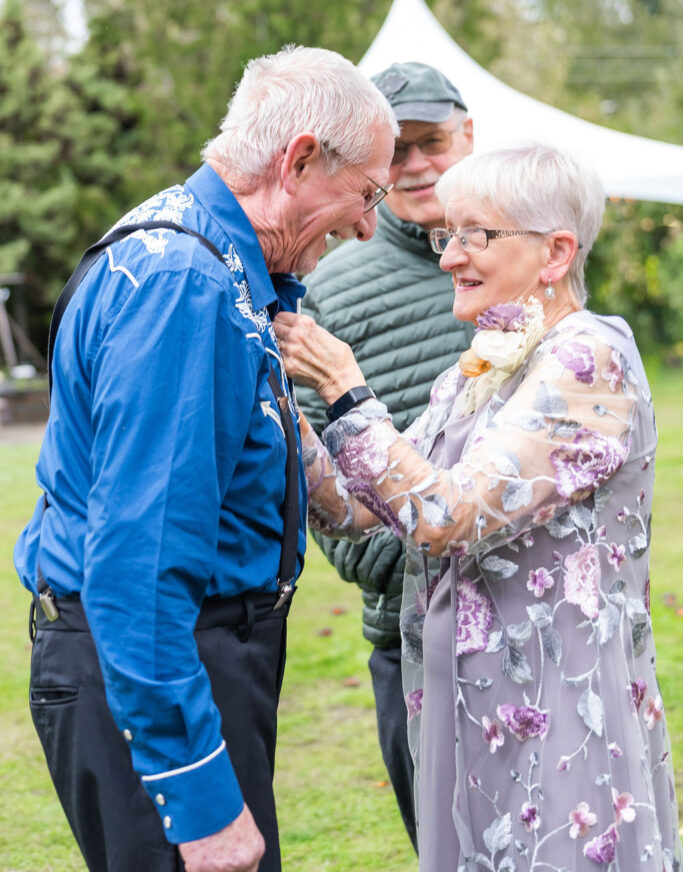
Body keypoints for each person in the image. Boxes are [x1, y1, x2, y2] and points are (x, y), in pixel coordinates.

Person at [14, 44, 397, 872]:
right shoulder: (184, 288)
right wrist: (196, 793)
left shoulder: (215, 264)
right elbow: (139, 566)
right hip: (154, 668)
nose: (369, 224)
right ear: (299, 160)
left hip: (180, 659)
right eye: (366, 193)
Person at [274, 143, 682, 872]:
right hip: (473, 710)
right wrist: (280, 404)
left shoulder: (589, 359)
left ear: (555, 252)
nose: (447, 258)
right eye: (445, 235)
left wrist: (346, 388)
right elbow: (361, 508)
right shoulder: (482, 366)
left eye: (474, 235)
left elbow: (443, 517)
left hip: (559, 707)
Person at [297, 61, 474, 849]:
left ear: (469, 138)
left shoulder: (528, 258)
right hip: (407, 637)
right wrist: (414, 563)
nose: (414, 166)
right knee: (440, 846)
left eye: (431, 142)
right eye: (394, 150)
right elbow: (308, 471)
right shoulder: (328, 286)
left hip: (532, 625)